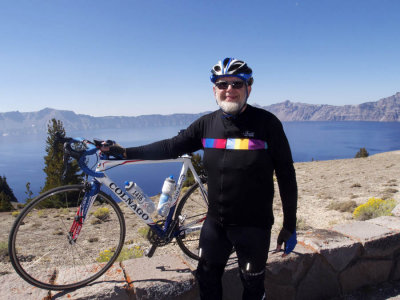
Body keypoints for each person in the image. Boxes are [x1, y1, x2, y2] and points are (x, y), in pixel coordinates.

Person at [104, 58, 298, 300]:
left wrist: (290, 225)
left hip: (254, 227)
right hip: (215, 225)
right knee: (206, 279)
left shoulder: (268, 124)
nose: (229, 90)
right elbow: (170, 146)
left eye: (237, 83)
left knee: (252, 285)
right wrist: (125, 152)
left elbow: (287, 176)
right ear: (214, 89)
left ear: (249, 87)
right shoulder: (207, 124)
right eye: (222, 83)